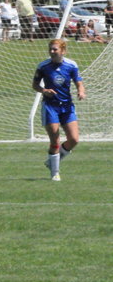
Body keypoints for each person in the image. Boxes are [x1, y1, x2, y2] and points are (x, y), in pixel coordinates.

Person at [32, 39, 86, 181]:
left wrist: (81, 91)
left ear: (63, 51)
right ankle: (55, 173)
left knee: (74, 139)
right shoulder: (43, 66)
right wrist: (44, 91)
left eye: (55, 49)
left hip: (67, 106)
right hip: (50, 107)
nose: (52, 52)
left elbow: (79, 82)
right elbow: (35, 85)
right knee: (55, 141)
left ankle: (52, 162)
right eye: (50, 49)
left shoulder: (71, 65)